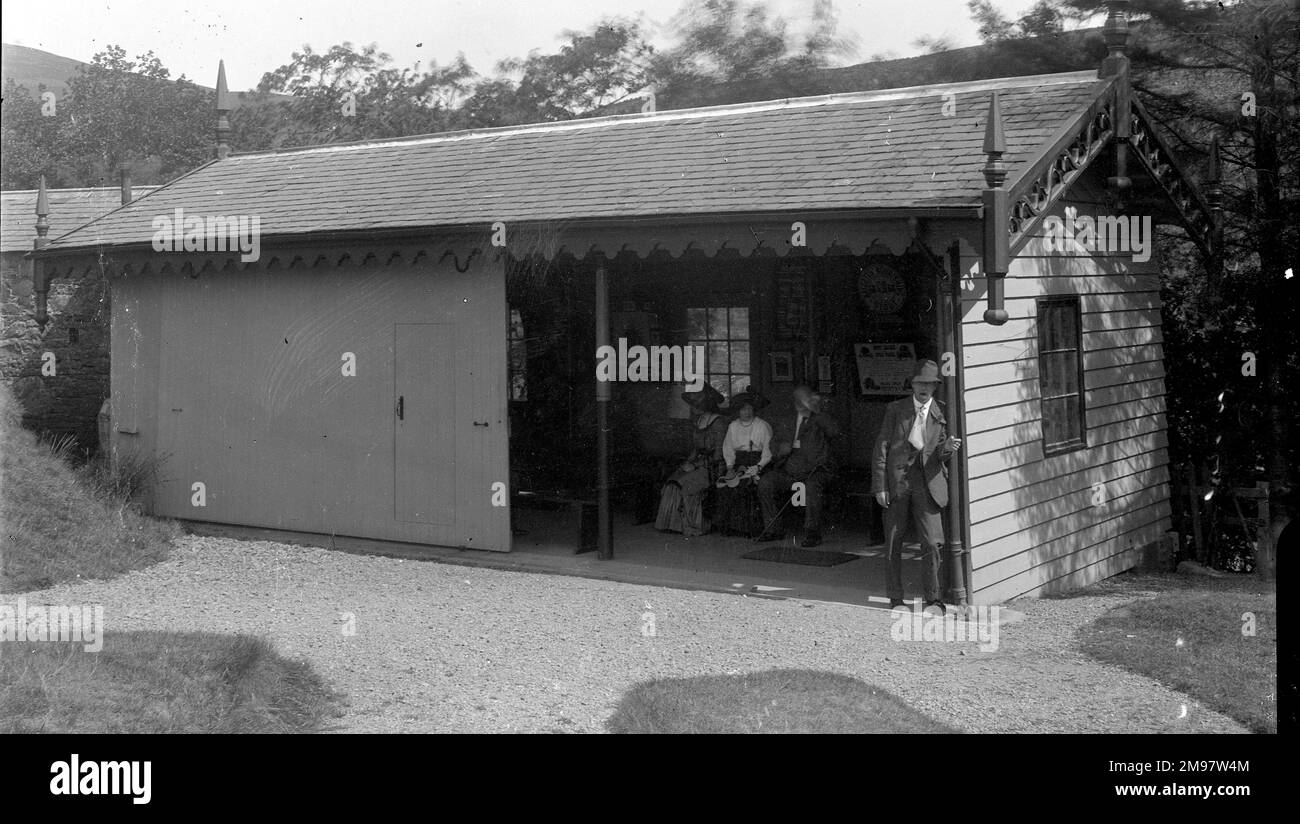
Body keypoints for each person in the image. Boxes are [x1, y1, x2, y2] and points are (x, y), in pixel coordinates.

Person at [871, 359, 962, 613]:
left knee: (932, 542)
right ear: (912, 384)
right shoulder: (895, 409)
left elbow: (941, 453)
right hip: (897, 482)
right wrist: (880, 485)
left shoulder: (943, 412)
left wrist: (947, 450)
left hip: (928, 483)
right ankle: (896, 598)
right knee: (893, 541)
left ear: (935, 387)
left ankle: (933, 599)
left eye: (930, 383)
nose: (924, 387)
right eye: (920, 382)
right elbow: (882, 447)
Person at [756, 384, 841, 547]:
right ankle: (773, 529)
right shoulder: (787, 420)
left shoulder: (820, 418)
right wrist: (780, 450)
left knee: (811, 487)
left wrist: (817, 411)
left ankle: (812, 532)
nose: (806, 401)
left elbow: (834, 431)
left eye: (809, 398)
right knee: (766, 482)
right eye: (803, 398)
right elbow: (773, 443)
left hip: (816, 470)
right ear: (796, 401)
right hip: (790, 469)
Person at [655, 384, 729, 536]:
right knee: (673, 481)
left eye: (696, 405)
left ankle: (693, 525)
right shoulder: (699, 421)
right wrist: (686, 464)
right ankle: (674, 525)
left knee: (684, 484)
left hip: (713, 469)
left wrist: (695, 466)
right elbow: (696, 449)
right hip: (698, 465)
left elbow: (719, 454)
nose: (693, 408)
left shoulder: (719, 422)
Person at [714, 387, 773, 537]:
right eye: (742, 409)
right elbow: (728, 449)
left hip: (759, 462)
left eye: (749, 409)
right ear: (738, 411)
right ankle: (731, 527)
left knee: (745, 486)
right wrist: (729, 467)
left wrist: (758, 467)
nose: (746, 412)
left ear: (753, 409)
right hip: (737, 462)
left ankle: (748, 528)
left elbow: (768, 452)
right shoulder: (733, 426)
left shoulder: (762, 426)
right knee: (725, 485)